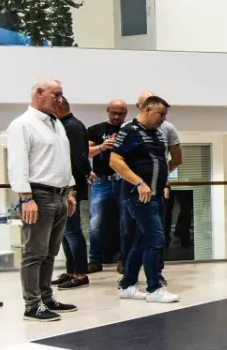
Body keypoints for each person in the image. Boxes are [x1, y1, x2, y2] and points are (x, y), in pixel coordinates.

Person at [5, 79, 79, 322]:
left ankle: (46, 297)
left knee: (50, 253)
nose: (60, 99)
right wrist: (26, 198)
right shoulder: (22, 124)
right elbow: (17, 164)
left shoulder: (56, 124)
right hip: (38, 195)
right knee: (34, 253)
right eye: (56, 94)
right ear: (39, 93)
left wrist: (69, 191)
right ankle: (32, 305)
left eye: (61, 95)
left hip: (59, 194)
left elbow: (63, 159)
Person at [110, 95, 180, 303]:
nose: (163, 118)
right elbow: (115, 160)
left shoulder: (157, 133)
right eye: (161, 114)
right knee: (155, 239)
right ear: (147, 110)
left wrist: (162, 182)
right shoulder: (129, 131)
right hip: (139, 196)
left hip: (157, 195)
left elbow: (166, 161)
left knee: (141, 241)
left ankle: (127, 285)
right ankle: (154, 288)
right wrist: (139, 182)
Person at [53, 96, 91, 289]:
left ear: (59, 108)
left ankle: (80, 274)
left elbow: (78, 156)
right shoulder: (64, 125)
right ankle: (71, 271)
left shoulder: (72, 127)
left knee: (72, 231)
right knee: (65, 232)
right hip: (66, 184)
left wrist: (87, 172)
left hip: (72, 186)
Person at [86, 100, 128, 273]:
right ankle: (95, 260)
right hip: (101, 180)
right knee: (95, 223)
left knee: (125, 222)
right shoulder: (95, 130)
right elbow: (86, 152)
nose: (117, 117)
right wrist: (102, 147)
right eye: (113, 113)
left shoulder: (130, 130)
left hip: (124, 180)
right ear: (107, 111)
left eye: (121, 114)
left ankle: (123, 260)